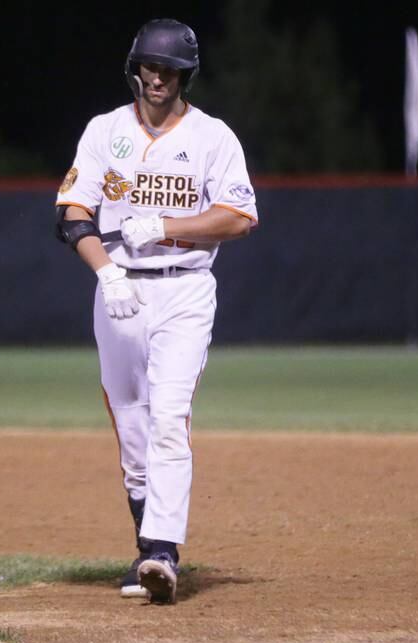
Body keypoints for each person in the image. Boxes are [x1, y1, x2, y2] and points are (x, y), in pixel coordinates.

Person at [54, 18, 258, 604]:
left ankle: (165, 549)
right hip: (119, 290)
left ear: (185, 74)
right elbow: (71, 213)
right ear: (134, 68)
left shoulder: (214, 137)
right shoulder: (104, 130)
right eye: (149, 66)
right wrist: (107, 271)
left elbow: (239, 216)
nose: (157, 77)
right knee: (132, 425)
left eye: (169, 69)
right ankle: (148, 548)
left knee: (169, 415)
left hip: (184, 288)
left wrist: (164, 226)